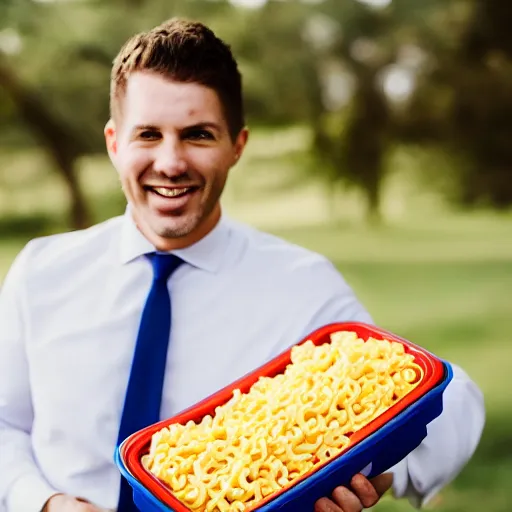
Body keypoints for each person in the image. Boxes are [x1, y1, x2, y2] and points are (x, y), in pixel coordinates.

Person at [0, 17, 484, 512]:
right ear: (114, 143)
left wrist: (366, 461)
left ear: (237, 146)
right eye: (148, 134)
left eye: (198, 135)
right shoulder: (41, 273)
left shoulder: (302, 286)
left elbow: (457, 407)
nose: (170, 162)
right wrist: (42, 502)